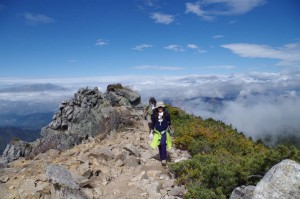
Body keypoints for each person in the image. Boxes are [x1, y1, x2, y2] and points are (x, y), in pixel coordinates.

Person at [149, 101, 172, 166]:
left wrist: (166, 123)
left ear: (163, 107)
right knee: (159, 144)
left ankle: (164, 159)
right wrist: (151, 132)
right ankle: (162, 158)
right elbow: (153, 124)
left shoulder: (166, 114)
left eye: (161, 107)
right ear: (157, 108)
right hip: (157, 132)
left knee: (163, 143)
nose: (160, 108)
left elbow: (169, 122)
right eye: (159, 107)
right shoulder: (154, 115)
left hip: (164, 131)